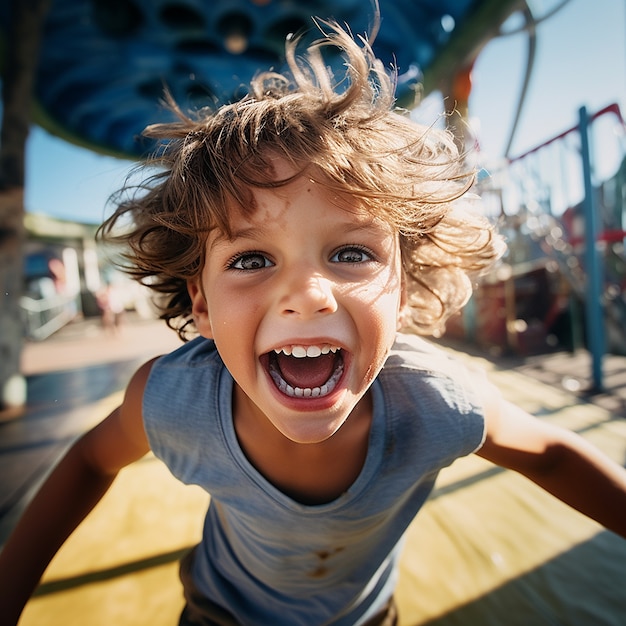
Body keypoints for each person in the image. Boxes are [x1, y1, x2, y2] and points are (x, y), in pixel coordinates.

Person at [1, 21, 625, 626]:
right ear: (201, 303)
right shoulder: (174, 400)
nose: (307, 295)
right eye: (251, 259)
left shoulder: (440, 403)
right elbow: (89, 460)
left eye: (351, 254)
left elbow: (550, 455)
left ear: (402, 290)